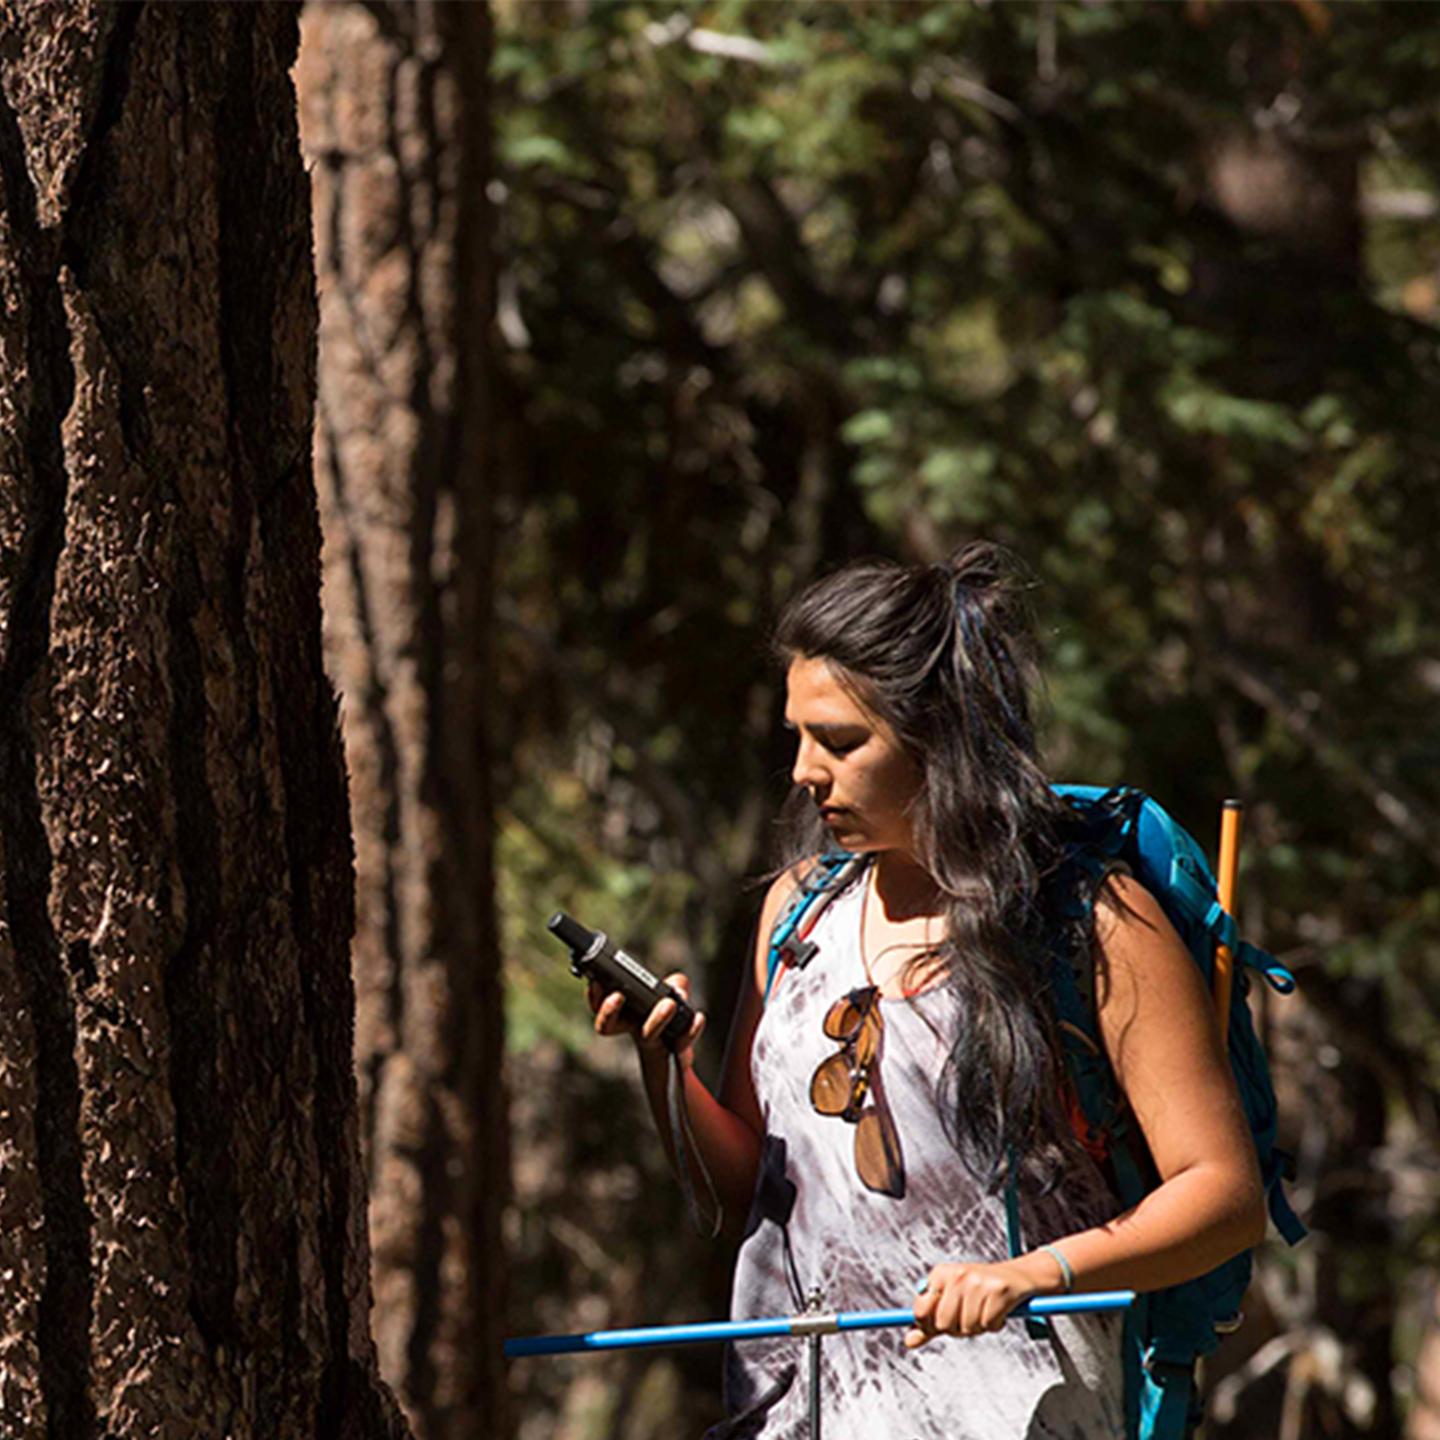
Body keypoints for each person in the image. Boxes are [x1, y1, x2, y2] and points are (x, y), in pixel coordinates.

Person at [590, 542, 1265, 1438]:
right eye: (796, 736)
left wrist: (1035, 1275)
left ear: (943, 734)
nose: (802, 770)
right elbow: (750, 1192)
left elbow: (1222, 1194)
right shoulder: (798, 914)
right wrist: (665, 1067)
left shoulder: (1090, 923)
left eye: (839, 741)